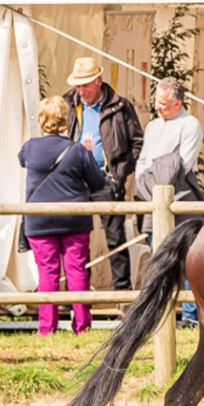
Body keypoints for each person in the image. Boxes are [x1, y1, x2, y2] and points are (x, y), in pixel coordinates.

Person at [19, 96, 106, 335]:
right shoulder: (77, 149)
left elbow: (22, 161)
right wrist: (89, 153)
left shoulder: (29, 147)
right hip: (73, 216)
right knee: (77, 270)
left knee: (47, 272)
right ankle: (82, 325)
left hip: (39, 218)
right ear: (65, 119)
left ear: (42, 119)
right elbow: (97, 182)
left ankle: (47, 328)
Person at [62, 57, 143, 294]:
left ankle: (122, 295)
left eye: (86, 84)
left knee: (115, 238)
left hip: (107, 180)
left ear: (99, 81)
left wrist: (120, 171)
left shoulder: (120, 106)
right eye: (78, 85)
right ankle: (79, 294)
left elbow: (137, 142)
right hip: (76, 181)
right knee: (77, 241)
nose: (81, 90)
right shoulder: (68, 103)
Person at [134, 77, 203, 329]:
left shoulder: (190, 125)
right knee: (158, 254)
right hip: (153, 194)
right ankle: (159, 312)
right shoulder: (152, 126)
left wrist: (156, 176)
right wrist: (147, 182)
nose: (158, 107)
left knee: (188, 257)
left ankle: (190, 314)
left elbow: (181, 165)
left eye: (163, 103)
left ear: (177, 104)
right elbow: (142, 161)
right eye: (156, 102)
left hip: (181, 194)